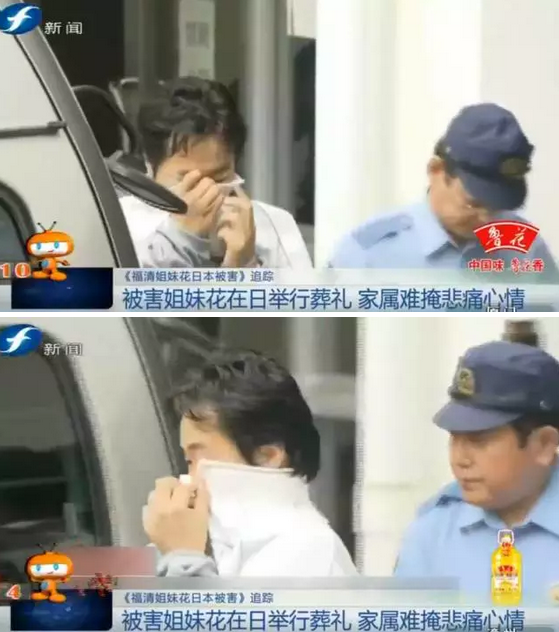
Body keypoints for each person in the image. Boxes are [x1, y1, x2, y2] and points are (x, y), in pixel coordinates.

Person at [142, 350, 357, 577]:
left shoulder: (309, 550)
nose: (189, 481)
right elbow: (116, 586)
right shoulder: (218, 545)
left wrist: (183, 558)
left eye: (198, 458)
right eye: (188, 461)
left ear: (268, 456)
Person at [393, 339, 559, 605]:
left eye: (479, 440)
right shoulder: (433, 535)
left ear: (544, 445)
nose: (459, 459)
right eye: (454, 438)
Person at [329, 103, 558, 277]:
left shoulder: (524, 247)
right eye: (473, 203)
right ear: (436, 170)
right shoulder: (368, 254)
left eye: (497, 207)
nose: (487, 220)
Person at [120, 77, 312, 268]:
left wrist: (246, 265)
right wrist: (180, 241)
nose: (206, 192)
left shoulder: (275, 226)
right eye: (190, 181)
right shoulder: (118, 225)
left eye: (219, 177)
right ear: (150, 166)